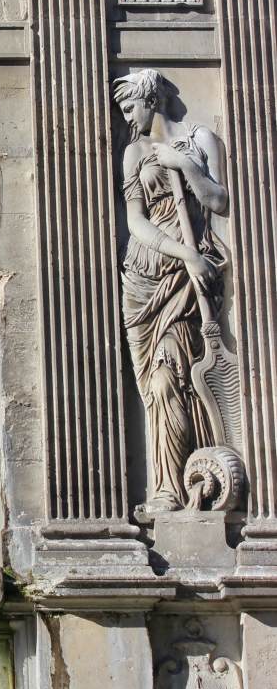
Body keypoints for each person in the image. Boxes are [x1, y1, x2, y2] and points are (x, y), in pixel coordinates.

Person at [113, 68, 229, 512]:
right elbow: (135, 222)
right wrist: (184, 252)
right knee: (153, 385)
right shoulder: (133, 153)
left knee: (172, 378)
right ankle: (168, 484)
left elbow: (218, 200)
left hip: (186, 284)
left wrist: (183, 165)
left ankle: (172, 487)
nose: (127, 117)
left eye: (130, 107)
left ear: (151, 99)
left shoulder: (200, 140)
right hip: (145, 277)